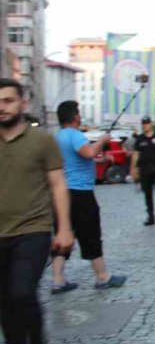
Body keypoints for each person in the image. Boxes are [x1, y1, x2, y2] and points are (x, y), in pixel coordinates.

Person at [0, 78, 75, 344]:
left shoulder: (42, 141)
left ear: (22, 103)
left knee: (22, 294)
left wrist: (65, 228)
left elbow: (58, 185)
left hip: (33, 229)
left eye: (7, 100)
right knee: (4, 304)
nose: (2, 107)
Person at [50, 101, 127, 293]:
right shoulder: (75, 135)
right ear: (75, 117)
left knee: (63, 234)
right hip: (81, 194)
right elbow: (89, 151)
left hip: (63, 194)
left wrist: (101, 159)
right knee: (91, 234)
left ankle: (58, 280)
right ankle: (102, 277)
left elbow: (82, 158)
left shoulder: (57, 137)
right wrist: (102, 140)